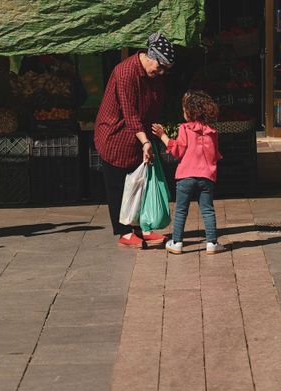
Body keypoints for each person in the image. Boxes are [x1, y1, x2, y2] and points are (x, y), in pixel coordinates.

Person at [95, 33, 175, 248]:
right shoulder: (125, 72)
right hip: (116, 135)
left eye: (165, 69)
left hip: (140, 136)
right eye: (159, 67)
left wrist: (151, 138)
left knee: (141, 184)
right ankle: (124, 232)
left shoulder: (153, 76)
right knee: (119, 186)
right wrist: (145, 142)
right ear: (150, 56)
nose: (160, 72)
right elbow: (129, 112)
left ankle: (141, 228)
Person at [152, 90, 224, 254]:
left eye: (184, 109)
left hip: (185, 177)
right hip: (206, 177)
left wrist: (162, 135)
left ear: (191, 112)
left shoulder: (184, 128)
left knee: (181, 210)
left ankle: (177, 242)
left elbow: (177, 150)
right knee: (208, 210)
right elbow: (214, 154)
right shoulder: (212, 131)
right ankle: (212, 243)